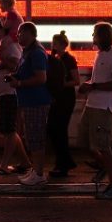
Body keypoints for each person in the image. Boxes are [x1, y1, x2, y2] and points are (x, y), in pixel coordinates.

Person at [78, 22, 112, 200]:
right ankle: (104, 167)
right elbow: (99, 80)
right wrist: (89, 86)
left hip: (103, 108)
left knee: (104, 146)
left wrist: (93, 85)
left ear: (103, 36)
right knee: (82, 141)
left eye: (95, 33)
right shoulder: (99, 55)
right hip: (92, 105)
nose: (92, 36)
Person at [7, 22, 51, 186]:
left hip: (36, 101)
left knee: (36, 137)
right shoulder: (27, 52)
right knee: (31, 136)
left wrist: (19, 83)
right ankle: (36, 169)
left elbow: (41, 78)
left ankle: (39, 173)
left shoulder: (36, 53)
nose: (18, 36)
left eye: (20, 33)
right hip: (29, 101)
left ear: (29, 33)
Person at [0, 19, 30, 176]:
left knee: (8, 129)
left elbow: (16, 65)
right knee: (9, 129)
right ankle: (25, 162)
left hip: (9, 93)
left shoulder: (10, 46)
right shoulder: (2, 45)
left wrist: (2, 62)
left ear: (1, 30)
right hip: (3, 93)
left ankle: (4, 165)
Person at [47, 30, 79, 178]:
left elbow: (76, 80)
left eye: (54, 43)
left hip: (66, 98)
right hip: (57, 98)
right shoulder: (54, 59)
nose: (52, 46)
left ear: (61, 45)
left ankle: (63, 164)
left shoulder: (69, 59)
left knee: (59, 129)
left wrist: (61, 84)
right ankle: (65, 161)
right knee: (54, 129)